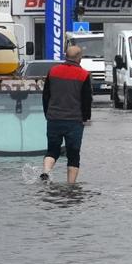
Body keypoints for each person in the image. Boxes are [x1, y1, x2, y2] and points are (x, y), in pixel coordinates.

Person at [41, 44, 93, 185]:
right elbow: (86, 100)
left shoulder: (53, 71)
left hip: (54, 118)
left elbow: (46, 95)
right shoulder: (84, 75)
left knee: (52, 150)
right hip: (74, 121)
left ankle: (46, 171)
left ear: (65, 56)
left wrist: (48, 113)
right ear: (79, 58)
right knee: (73, 154)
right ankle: (70, 186)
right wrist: (86, 117)